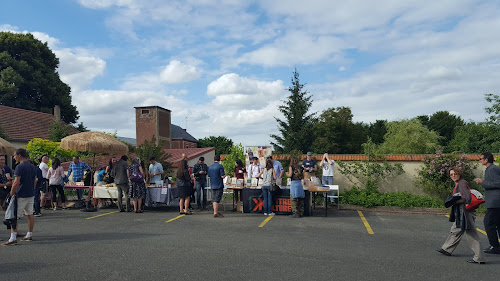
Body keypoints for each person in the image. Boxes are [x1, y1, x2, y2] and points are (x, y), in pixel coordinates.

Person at [437, 167, 486, 264]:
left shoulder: (462, 183)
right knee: (456, 230)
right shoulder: (457, 184)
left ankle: (479, 258)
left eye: (455, 173)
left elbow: (467, 198)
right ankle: (447, 249)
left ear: (459, 173)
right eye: (451, 174)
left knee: (472, 234)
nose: (453, 176)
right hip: (462, 212)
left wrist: (454, 201)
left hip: (466, 212)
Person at [2, 148, 37, 245]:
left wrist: (12, 193)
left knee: (13, 215)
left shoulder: (19, 167)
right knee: (29, 214)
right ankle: (29, 234)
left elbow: (16, 182)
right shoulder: (32, 166)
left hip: (20, 194)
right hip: (30, 193)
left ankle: (13, 238)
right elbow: (35, 180)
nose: (14, 157)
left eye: (15, 155)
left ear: (19, 155)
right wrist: (32, 189)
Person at [474, 152, 500, 254]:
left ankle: (495, 246)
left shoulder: (493, 169)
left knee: (488, 223)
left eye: (481, 158)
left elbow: (498, 183)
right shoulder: (491, 169)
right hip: (495, 202)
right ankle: (496, 246)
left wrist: (482, 182)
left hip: (495, 202)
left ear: (486, 159)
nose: (480, 160)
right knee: (498, 224)